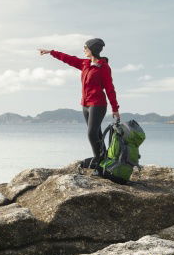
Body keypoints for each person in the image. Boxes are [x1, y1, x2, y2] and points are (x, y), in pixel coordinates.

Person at [38, 38, 120, 168]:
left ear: (92, 49)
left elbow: (110, 89)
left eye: (85, 48)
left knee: (91, 133)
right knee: (97, 133)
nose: (84, 50)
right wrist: (51, 52)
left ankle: (98, 161)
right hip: (85, 105)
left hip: (98, 104)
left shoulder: (104, 67)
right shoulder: (85, 64)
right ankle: (103, 159)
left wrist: (115, 109)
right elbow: (68, 59)